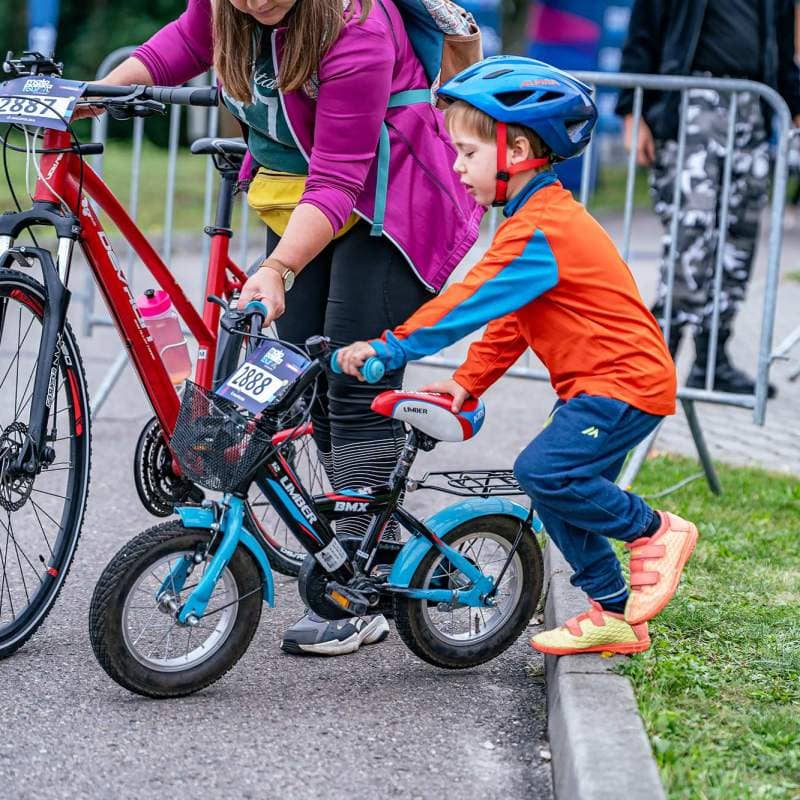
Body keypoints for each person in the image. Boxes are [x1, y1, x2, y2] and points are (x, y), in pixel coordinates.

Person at [95, 0, 482, 655]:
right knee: (307, 367)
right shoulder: (224, 9)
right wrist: (86, 99)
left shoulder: (353, 25)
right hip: (315, 204)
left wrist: (276, 267)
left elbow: (338, 175)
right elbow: (169, 52)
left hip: (395, 198)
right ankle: (357, 547)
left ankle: (362, 584)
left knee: (354, 387)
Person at [337, 56, 699, 655]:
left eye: (468, 153)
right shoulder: (530, 220)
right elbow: (512, 321)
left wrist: (390, 345)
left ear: (521, 148)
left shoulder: (542, 226)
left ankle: (656, 531)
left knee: (544, 472)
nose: (457, 166)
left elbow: (468, 301)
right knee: (562, 496)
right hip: (599, 387)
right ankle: (615, 614)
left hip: (622, 385)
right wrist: (467, 381)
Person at [616, 0, 800, 397]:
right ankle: (653, 364)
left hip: (753, 110)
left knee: (739, 241)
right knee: (691, 240)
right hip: (690, 105)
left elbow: (784, 54)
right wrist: (633, 112)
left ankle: (712, 363)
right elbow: (642, 35)